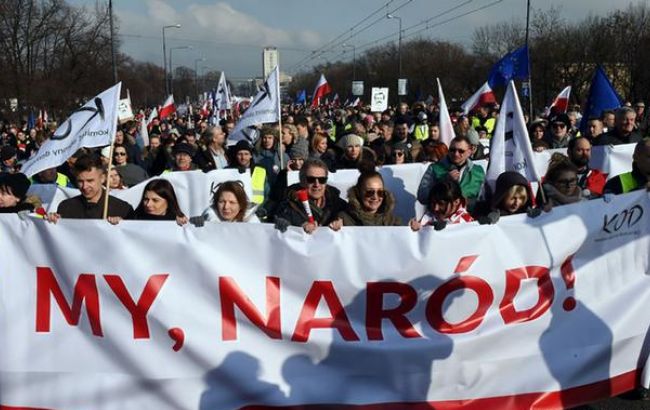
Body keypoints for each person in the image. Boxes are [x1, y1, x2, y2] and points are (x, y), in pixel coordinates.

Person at [46, 155, 134, 221]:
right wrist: (52, 223)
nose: (84, 186)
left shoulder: (123, 209)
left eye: (90, 181)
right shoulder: (66, 208)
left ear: (103, 178)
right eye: (80, 181)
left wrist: (123, 226)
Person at [274, 158, 347, 234]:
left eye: (322, 180)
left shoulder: (336, 202)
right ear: (302, 181)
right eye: (311, 179)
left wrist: (342, 219)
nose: (317, 184)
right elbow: (280, 218)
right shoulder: (288, 205)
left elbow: (353, 216)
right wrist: (300, 224)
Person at [417, 135, 485, 208]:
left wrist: (465, 202)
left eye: (461, 151)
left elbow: (484, 198)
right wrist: (443, 182)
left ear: (469, 152)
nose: (456, 154)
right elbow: (422, 196)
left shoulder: (478, 171)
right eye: (452, 150)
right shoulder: (434, 168)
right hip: (440, 217)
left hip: (469, 217)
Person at [108, 179, 187, 226]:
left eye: (155, 200)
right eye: (146, 199)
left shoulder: (179, 223)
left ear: (168, 201)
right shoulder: (134, 218)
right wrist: (120, 224)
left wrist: (184, 225)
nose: (148, 204)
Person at [195, 180, 259, 224]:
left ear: (241, 205)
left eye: (232, 202)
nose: (226, 207)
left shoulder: (253, 223)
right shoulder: (208, 218)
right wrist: (193, 225)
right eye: (222, 201)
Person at [228, 140, 269, 206]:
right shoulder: (229, 171)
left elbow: (267, 193)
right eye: (240, 154)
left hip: (257, 209)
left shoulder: (260, 170)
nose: (243, 157)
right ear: (236, 155)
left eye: (246, 154)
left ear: (251, 155)